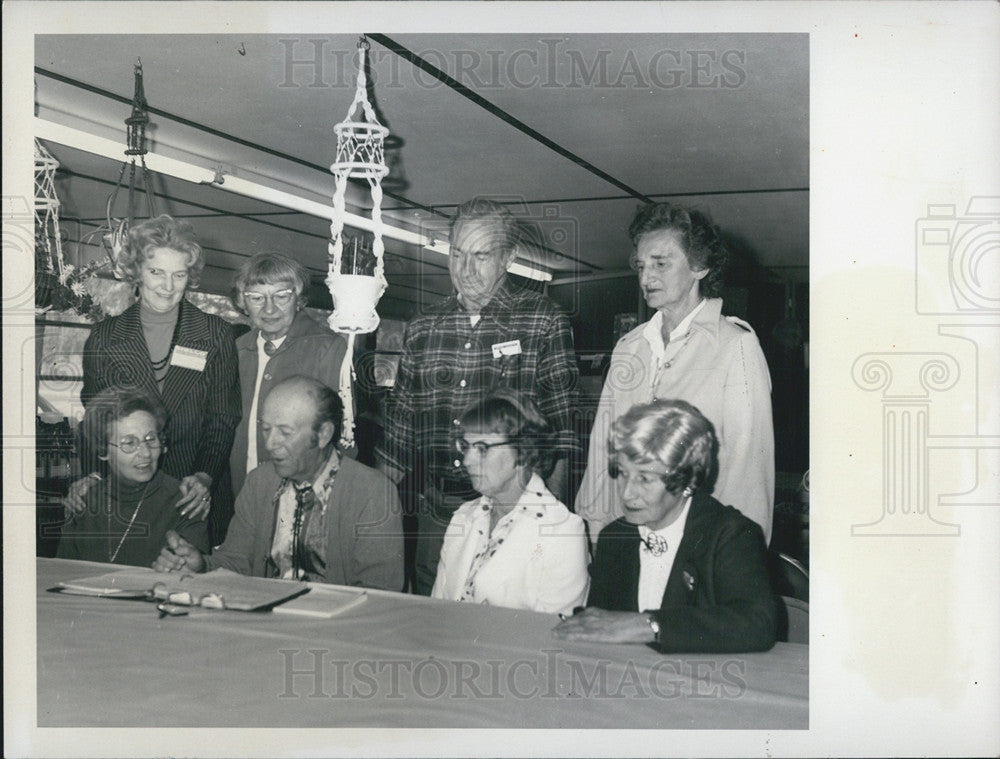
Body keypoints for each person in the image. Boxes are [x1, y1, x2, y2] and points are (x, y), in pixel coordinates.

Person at [376, 197, 579, 595]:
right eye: (457, 254)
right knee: (435, 622)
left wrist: (549, 518)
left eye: (481, 256)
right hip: (438, 511)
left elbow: (563, 430)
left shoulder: (543, 321)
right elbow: (399, 432)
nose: (465, 270)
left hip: (514, 509)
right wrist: (377, 519)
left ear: (508, 257)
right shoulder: (423, 327)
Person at [575, 202, 774, 544]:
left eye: (660, 264)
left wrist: (734, 557)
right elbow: (601, 452)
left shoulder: (735, 347)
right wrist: (593, 534)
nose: (645, 277)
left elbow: (748, 472)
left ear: (699, 266)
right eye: (641, 265)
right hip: (623, 540)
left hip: (697, 545)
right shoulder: (629, 348)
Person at [67, 214, 241, 544]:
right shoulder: (105, 338)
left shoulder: (215, 334)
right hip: (125, 496)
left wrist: (204, 476)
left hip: (193, 493)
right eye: (156, 272)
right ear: (137, 273)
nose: (167, 285)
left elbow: (223, 419)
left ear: (189, 277)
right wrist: (90, 474)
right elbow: (95, 421)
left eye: (179, 274)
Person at [553, 399, 777, 653]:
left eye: (645, 479)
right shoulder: (615, 538)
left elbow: (758, 624)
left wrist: (650, 625)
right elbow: (601, 629)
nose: (627, 494)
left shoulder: (729, 534)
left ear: (686, 480)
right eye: (622, 473)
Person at [153, 376, 404, 591]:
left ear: (324, 434)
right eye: (266, 429)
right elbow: (236, 562)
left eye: (285, 432)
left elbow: (379, 593)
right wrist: (201, 566)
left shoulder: (373, 492)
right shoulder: (259, 483)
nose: (270, 444)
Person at [431, 390, 588, 614]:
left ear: (523, 450)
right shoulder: (463, 517)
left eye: (482, 449)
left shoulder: (562, 531)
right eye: (465, 447)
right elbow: (437, 611)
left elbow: (556, 639)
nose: (467, 460)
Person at [229, 252, 350, 497]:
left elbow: (343, 433)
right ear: (243, 302)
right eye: (256, 298)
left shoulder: (327, 348)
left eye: (281, 296)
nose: (269, 308)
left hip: (304, 491)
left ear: (299, 299)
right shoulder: (236, 350)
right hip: (240, 488)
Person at [57, 387, 209, 566]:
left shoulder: (186, 501)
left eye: (151, 439)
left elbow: (194, 578)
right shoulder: (83, 500)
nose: (145, 453)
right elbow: (64, 574)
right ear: (103, 450)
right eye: (129, 443)